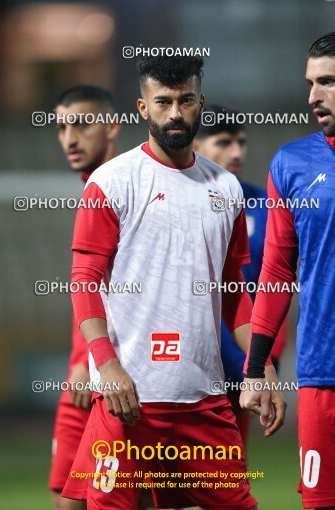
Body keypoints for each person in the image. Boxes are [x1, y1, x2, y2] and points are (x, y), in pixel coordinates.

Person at [61, 55, 285, 510]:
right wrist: (106, 367)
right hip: (128, 399)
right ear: (142, 107)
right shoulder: (111, 182)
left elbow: (233, 293)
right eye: (163, 101)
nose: (175, 113)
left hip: (205, 399)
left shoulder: (225, 189)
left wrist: (262, 367)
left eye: (185, 100)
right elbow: (84, 281)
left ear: (200, 102)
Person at [240, 32, 335, 510]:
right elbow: (277, 271)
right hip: (322, 373)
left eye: (329, 82)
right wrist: (256, 369)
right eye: (311, 83)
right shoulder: (293, 163)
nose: (313, 97)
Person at [194, 106, 288, 444]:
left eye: (241, 143)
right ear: (196, 147)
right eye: (224, 142)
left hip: (244, 363)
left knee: (222, 481)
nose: (237, 152)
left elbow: (276, 287)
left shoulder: (265, 206)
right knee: (160, 486)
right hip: (184, 360)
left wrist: (262, 358)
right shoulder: (175, 202)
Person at [49, 84, 120, 510]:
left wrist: (89, 359)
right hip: (84, 369)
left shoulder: (130, 186)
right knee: (67, 499)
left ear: (112, 126)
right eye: (61, 127)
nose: (69, 138)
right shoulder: (90, 187)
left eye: (81, 123)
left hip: (114, 372)